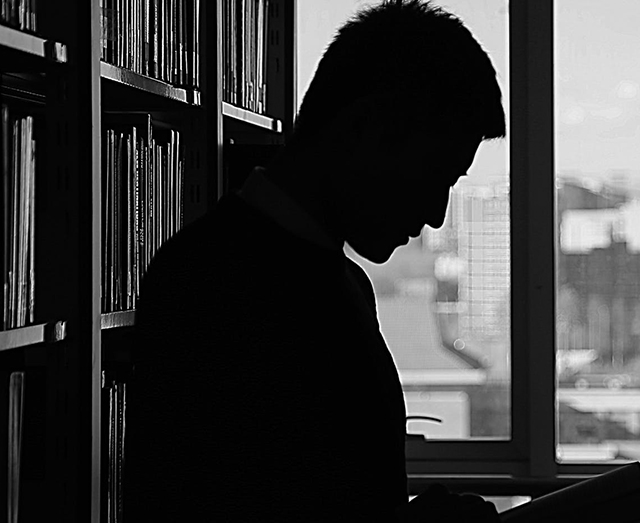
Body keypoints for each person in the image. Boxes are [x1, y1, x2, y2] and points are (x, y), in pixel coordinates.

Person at [124, 1, 506, 521]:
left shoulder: (307, 278)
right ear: (367, 128)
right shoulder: (209, 285)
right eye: (434, 174)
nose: (436, 215)